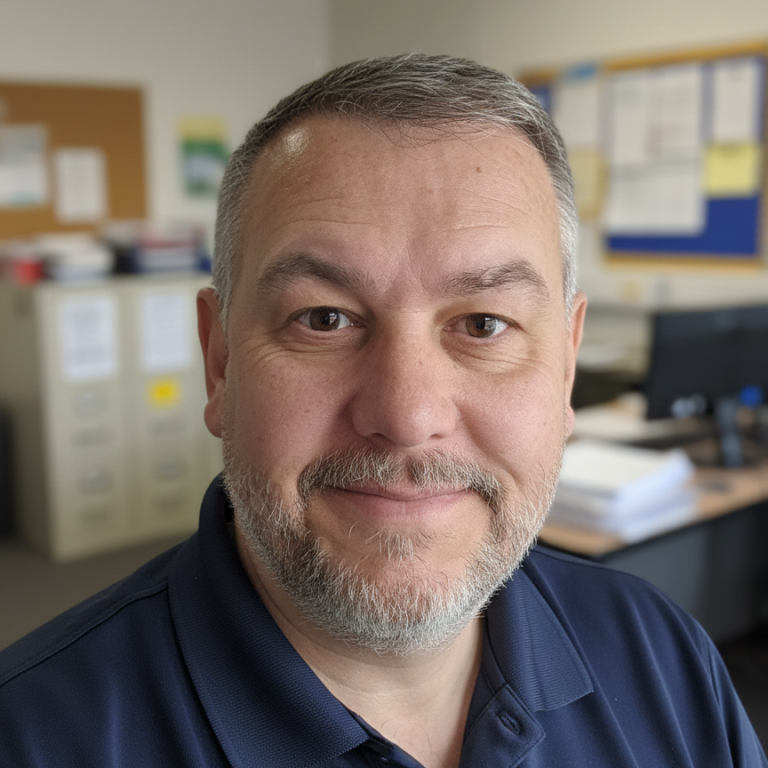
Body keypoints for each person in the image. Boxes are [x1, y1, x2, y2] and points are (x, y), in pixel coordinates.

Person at [0, 54, 765, 768]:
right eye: (324, 318)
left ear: (565, 365)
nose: (406, 414)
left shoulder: (666, 658)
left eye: (483, 324)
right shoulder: (34, 736)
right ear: (220, 363)